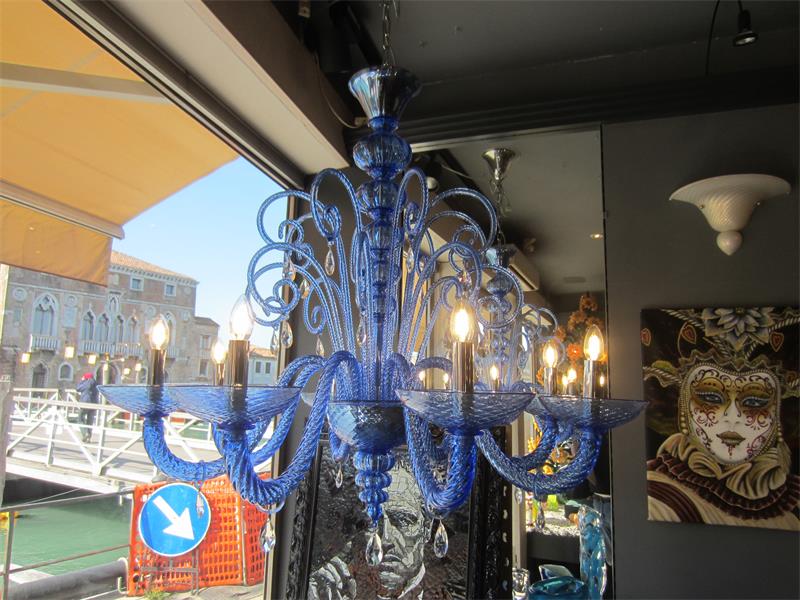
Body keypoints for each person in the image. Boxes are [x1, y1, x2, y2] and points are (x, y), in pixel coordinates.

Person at [76, 373, 99, 442]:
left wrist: (82, 381)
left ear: (86, 378)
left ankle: (85, 433)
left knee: (80, 419)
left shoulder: (86, 383)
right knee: (90, 421)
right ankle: (88, 438)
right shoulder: (96, 384)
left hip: (85, 403)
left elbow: (78, 388)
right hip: (94, 404)